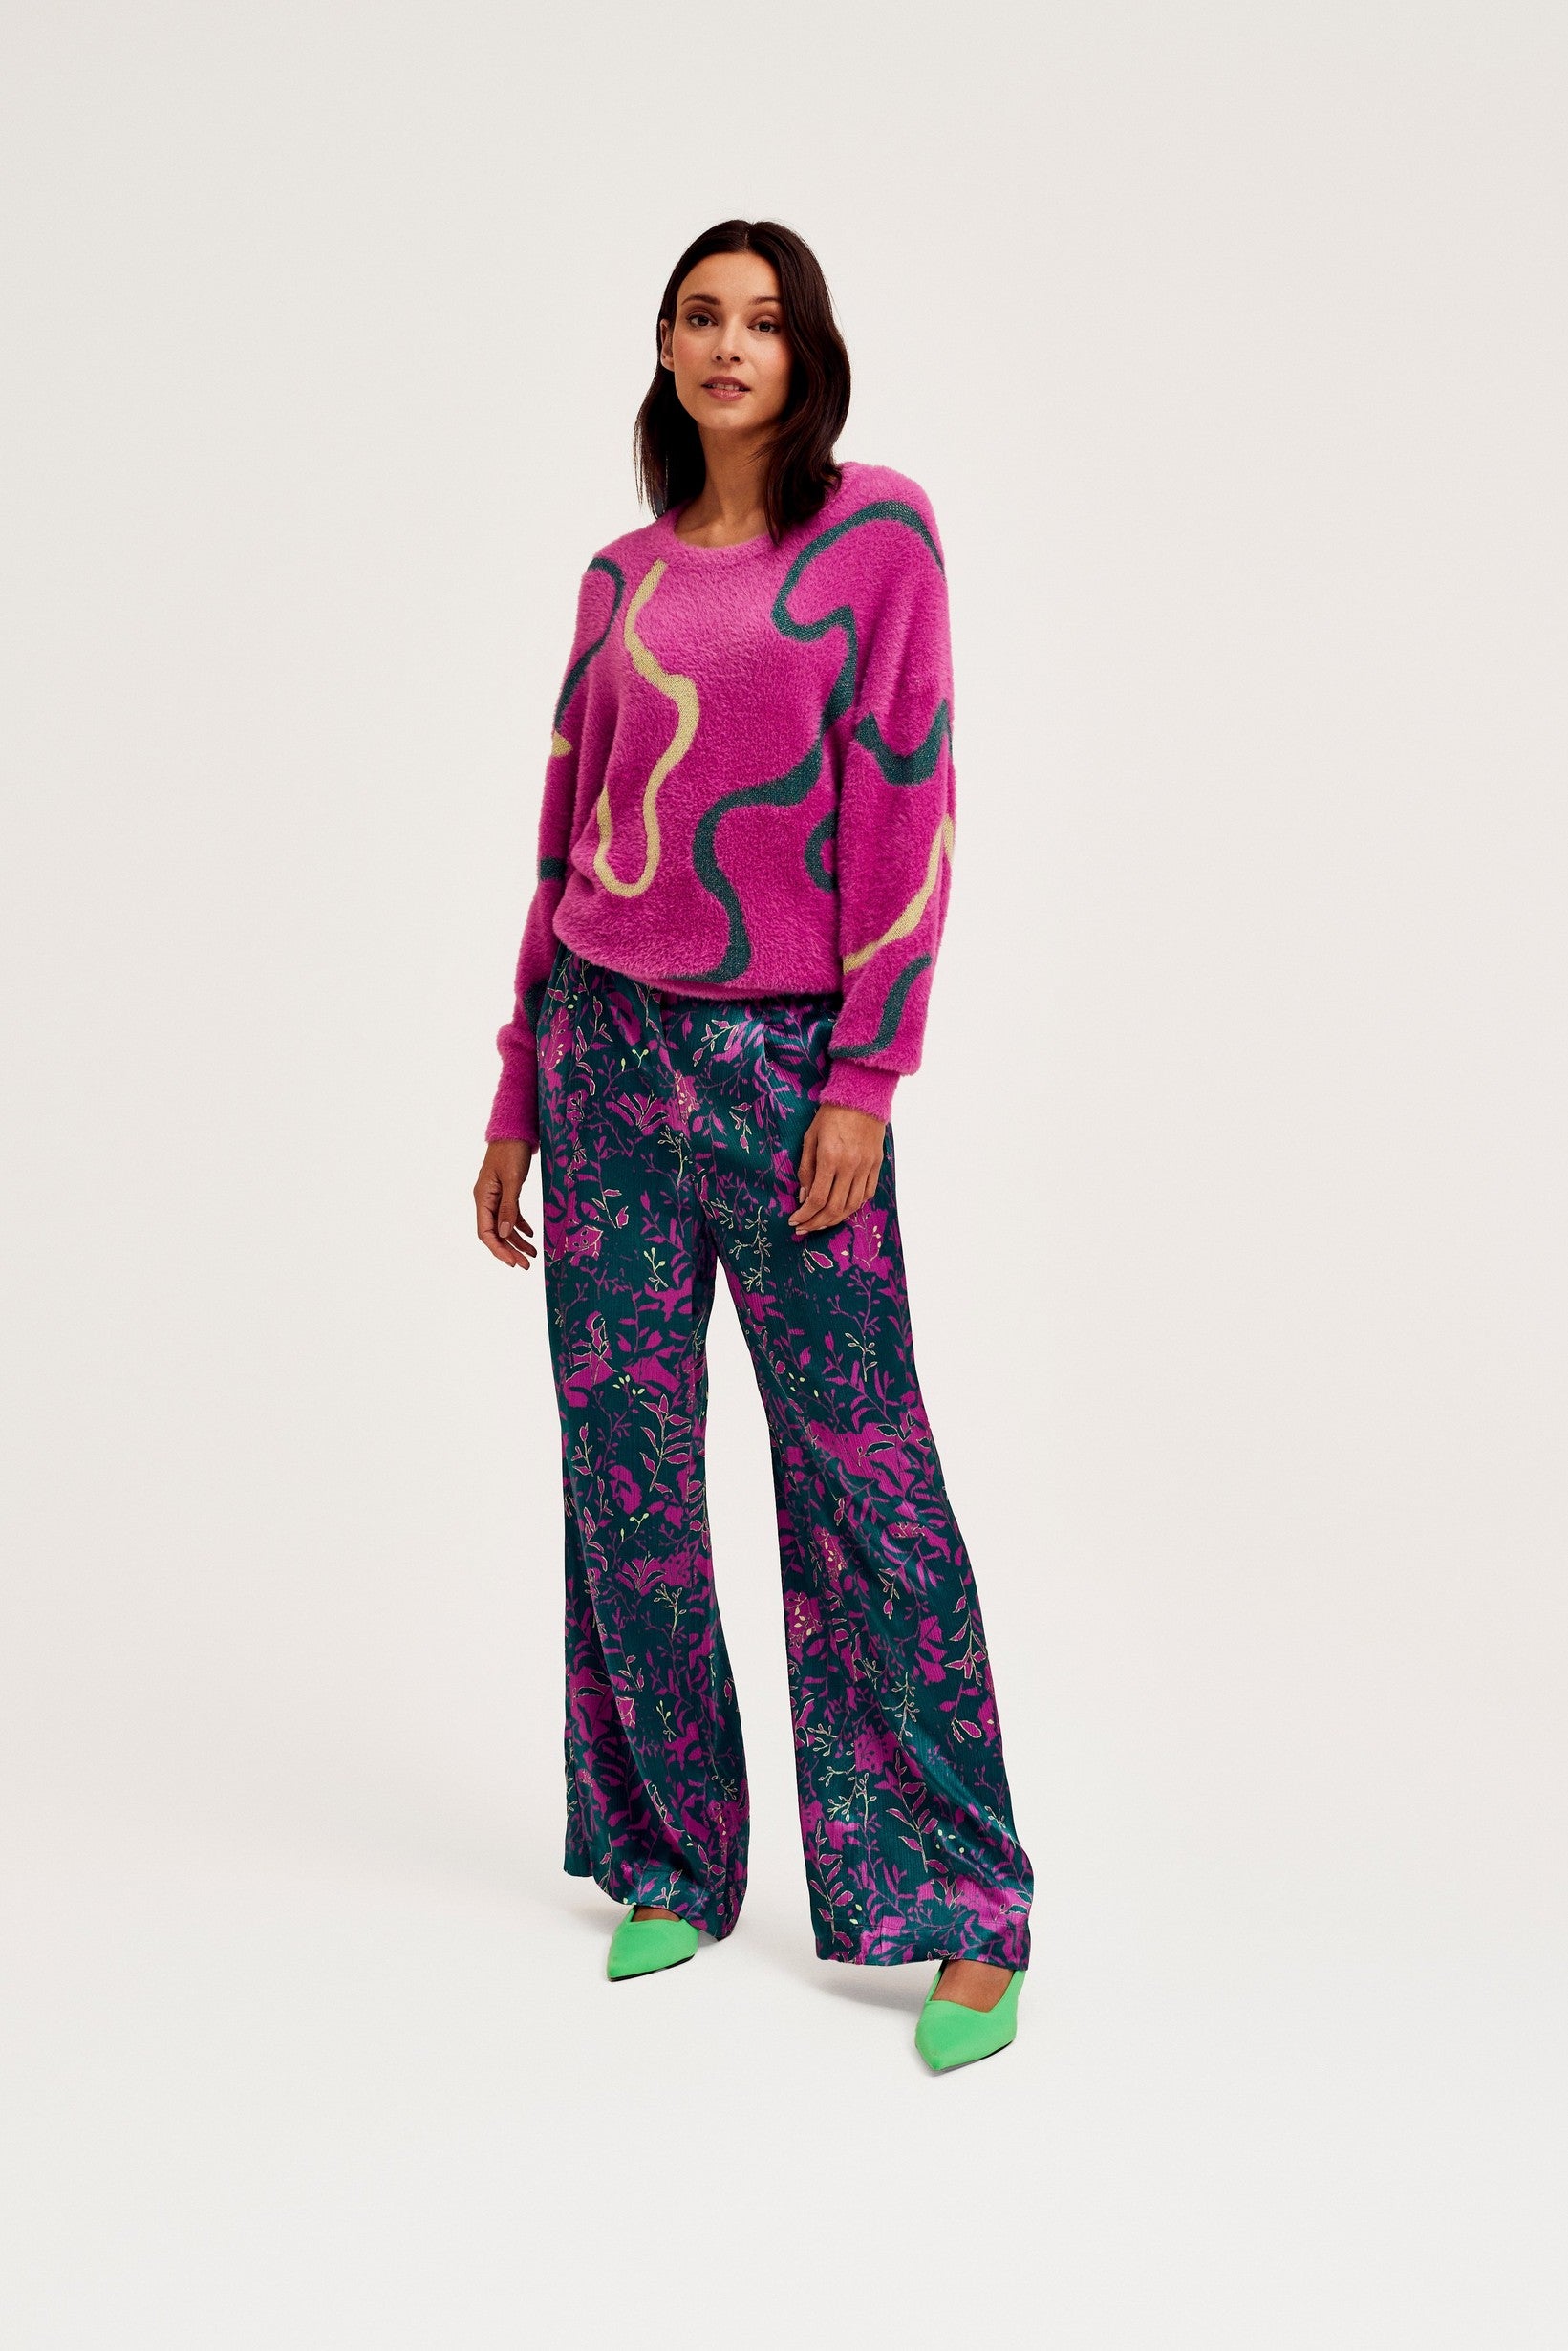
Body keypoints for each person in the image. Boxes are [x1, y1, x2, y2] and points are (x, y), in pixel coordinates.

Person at [473, 219, 1033, 2071]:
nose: (729, 344)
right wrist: (516, 1093)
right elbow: (563, 844)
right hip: (603, 1057)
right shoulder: (618, 580)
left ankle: (958, 1905)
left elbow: (907, 802)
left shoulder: (875, 539)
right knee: (625, 1471)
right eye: (701, 316)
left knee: (862, 1478)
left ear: (805, 355)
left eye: (764, 320)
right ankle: (665, 1852)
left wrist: (866, 1075)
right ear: (663, 347)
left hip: (789, 1070)